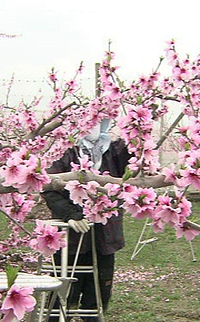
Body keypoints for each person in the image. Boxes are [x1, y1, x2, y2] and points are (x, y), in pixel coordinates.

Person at [41, 118, 132, 322]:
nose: (93, 128)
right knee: (64, 287)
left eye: (99, 122)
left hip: (105, 233)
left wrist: (139, 126)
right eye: (89, 122)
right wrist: (70, 213)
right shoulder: (65, 151)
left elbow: (135, 160)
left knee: (99, 289)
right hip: (72, 235)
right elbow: (49, 188)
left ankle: (92, 317)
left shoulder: (114, 151)